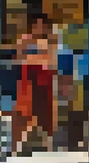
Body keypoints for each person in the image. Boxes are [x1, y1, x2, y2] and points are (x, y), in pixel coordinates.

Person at [12, 13, 58, 155]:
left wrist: (34, 57)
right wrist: (40, 57)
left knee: (46, 112)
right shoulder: (23, 40)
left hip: (44, 80)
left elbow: (52, 61)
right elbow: (19, 59)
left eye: (42, 25)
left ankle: (48, 144)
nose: (39, 28)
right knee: (23, 112)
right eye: (36, 24)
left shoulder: (51, 40)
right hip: (28, 79)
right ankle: (16, 145)